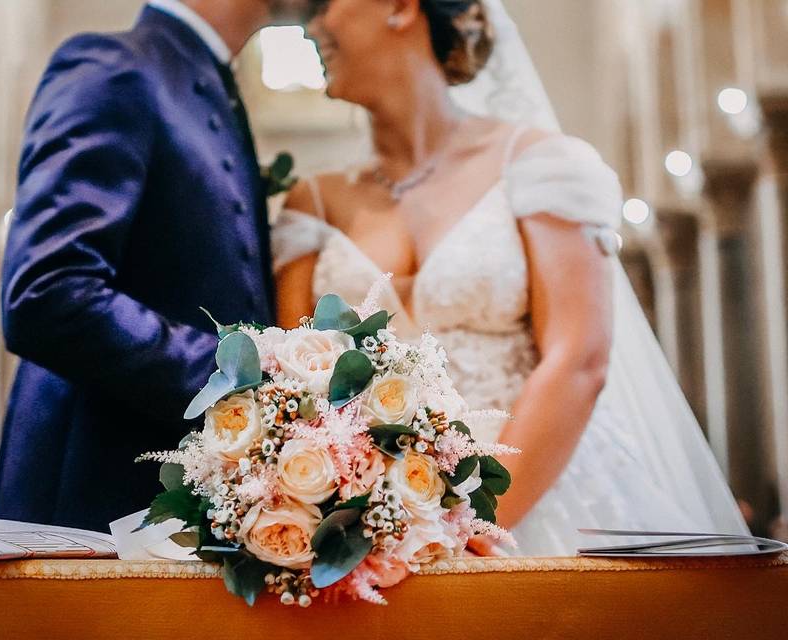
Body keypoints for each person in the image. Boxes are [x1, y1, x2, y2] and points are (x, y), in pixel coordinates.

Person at [273, 0, 748, 555]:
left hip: (541, 499)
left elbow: (578, 359)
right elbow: (297, 389)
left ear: (401, 7)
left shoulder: (539, 166)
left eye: (325, 5)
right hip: (375, 519)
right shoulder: (314, 205)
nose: (313, 26)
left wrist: (468, 526)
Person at [0, 0, 315, 532]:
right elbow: (49, 292)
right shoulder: (115, 68)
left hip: (173, 518)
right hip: (90, 519)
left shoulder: (208, 83)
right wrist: (248, 383)